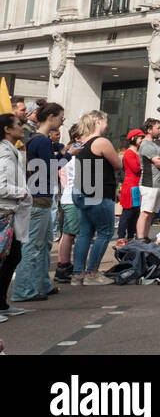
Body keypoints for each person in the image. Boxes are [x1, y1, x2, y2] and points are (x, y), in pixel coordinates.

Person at [11, 101, 65, 304]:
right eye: (60, 117)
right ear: (50, 117)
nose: (62, 121)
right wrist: (67, 155)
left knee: (41, 245)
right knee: (33, 245)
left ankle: (41, 283)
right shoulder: (41, 141)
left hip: (39, 197)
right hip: (38, 199)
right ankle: (23, 289)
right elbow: (49, 170)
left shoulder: (37, 140)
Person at [71, 110, 121, 286]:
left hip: (82, 190)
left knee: (84, 234)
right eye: (106, 122)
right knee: (105, 232)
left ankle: (78, 274)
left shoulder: (83, 143)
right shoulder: (101, 142)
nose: (107, 125)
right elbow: (117, 164)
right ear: (98, 122)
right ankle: (92, 273)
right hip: (99, 192)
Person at [0, 113, 34, 320]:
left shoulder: (13, 151)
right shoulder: (4, 153)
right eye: (19, 124)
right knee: (5, 260)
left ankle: (2, 303)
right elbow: (1, 186)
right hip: (5, 213)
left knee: (13, 258)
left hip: (12, 213)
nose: (22, 127)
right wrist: (20, 192)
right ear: (7, 129)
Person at [53, 120, 87, 284]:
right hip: (72, 198)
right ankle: (63, 266)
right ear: (78, 137)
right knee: (69, 233)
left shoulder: (71, 152)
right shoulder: (75, 154)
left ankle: (64, 265)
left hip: (72, 197)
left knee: (69, 233)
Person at [135, 118, 160, 242]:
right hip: (148, 184)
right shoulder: (146, 145)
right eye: (158, 128)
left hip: (158, 184)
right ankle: (140, 237)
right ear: (149, 130)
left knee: (151, 214)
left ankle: (145, 236)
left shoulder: (156, 144)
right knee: (145, 212)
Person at [116, 129, 144, 246]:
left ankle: (131, 235)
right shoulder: (129, 153)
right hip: (130, 185)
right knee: (127, 213)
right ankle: (121, 237)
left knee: (135, 212)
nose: (142, 140)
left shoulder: (137, 153)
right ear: (133, 139)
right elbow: (136, 168)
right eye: (140, 138)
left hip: (136, 185)